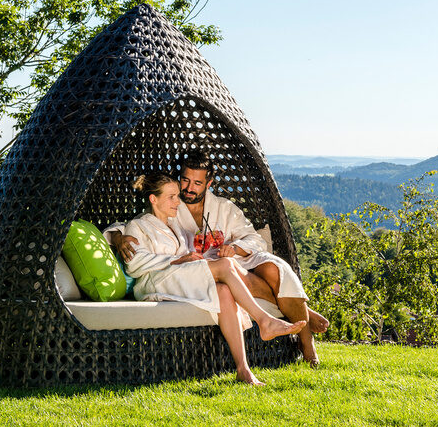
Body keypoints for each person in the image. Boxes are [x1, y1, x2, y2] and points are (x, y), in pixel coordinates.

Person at [117, 152, 329, 367]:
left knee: (276, 268)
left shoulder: (224, 208)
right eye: (185, 180)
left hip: (230, 259)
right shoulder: (171, 205)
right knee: (233, 272)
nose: (189, 188)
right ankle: (303, 315)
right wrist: (118, 238)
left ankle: (307, 344)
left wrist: (235, 248)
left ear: (208, 183)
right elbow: (135, 227)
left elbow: (255, 239)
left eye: (197, 183)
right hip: (199, 268)